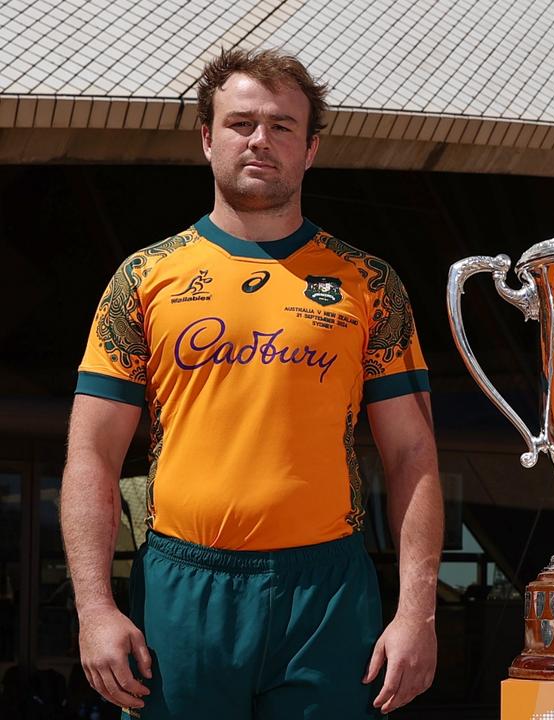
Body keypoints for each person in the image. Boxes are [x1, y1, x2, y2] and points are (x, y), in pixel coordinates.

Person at [60, 48, 443, 719]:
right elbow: (92, 454)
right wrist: (95, 608)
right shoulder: (144, 278)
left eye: (283, 127)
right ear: (207, 138)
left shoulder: (369, 284)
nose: (260, 140)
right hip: (184, 585)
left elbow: (413, 454)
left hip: (325, 592)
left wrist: (419, 614)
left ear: (311, 148)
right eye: (241, 124)